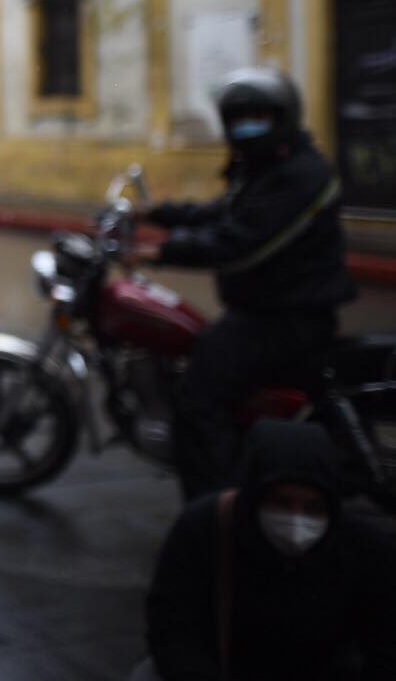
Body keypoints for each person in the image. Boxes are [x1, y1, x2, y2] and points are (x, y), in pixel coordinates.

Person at [135, 67, 356, 499]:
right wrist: (160, 215)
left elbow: (245, 241)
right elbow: (225, 212)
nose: (247, 127)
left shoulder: (302, 174)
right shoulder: (264, 168)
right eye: (238, 119)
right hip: (268, 310)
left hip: (284, 318)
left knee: (196, 397)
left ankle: (213, 508)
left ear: (284, 117)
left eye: (259, 117)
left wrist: (163, 251)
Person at [140, 421, 396, 680]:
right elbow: (172, 630)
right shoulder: (205, 530)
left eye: (313, 508)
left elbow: (387, 648)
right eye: (281, 503)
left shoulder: (367, 548)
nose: (296, 521)